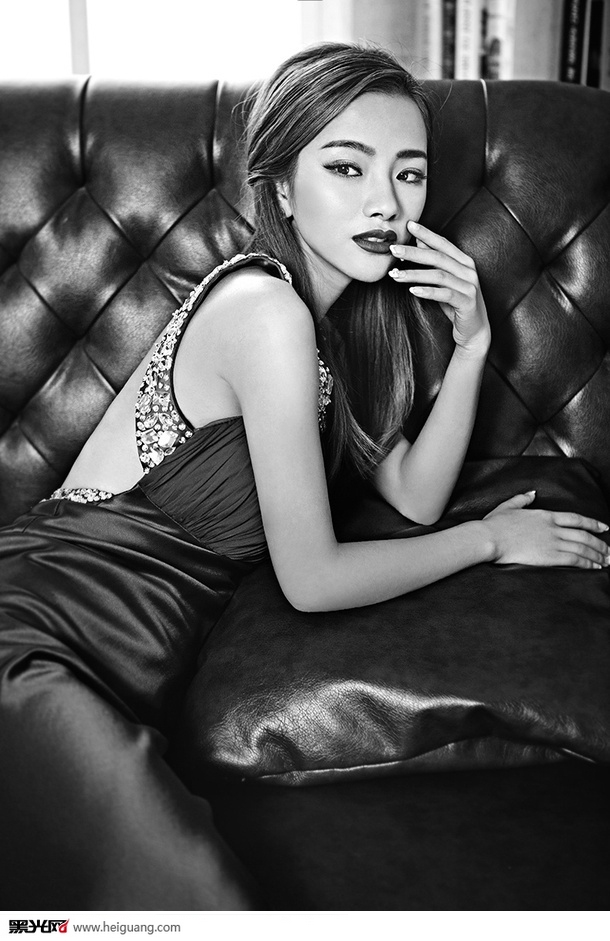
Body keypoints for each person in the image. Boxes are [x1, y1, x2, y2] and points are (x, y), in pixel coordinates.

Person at [1, 41, 608, 911]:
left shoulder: (335, 339)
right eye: (346, 167)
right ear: (282, 187)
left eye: (408, 173)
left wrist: (474, 345)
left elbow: (412, 496)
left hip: (114, 671)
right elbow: (313, 580)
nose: (385, 202)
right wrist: (487, 539)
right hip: (35, 637)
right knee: (191, 909)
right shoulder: (265, 311)